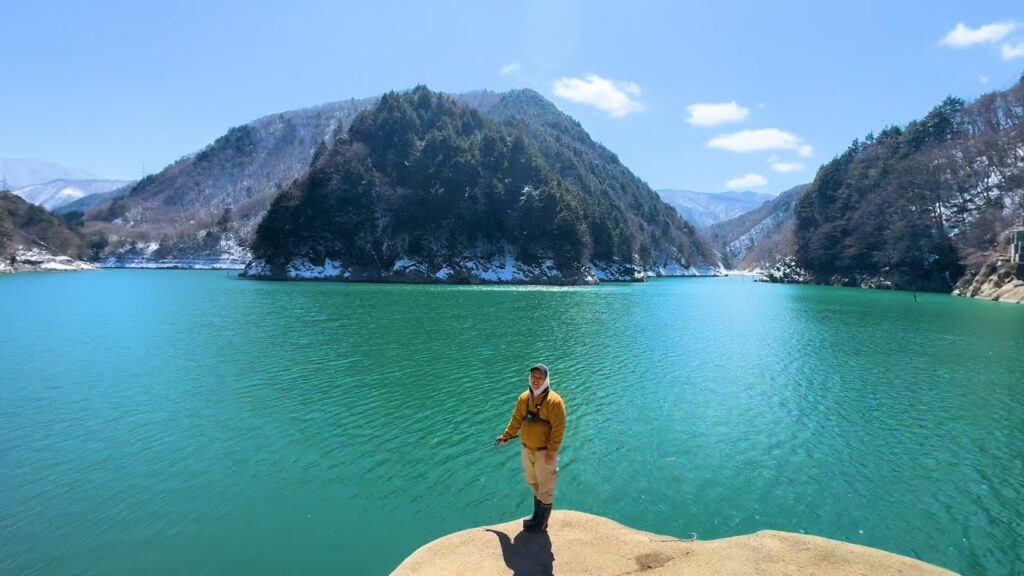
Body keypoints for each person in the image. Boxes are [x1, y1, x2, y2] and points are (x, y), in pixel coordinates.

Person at [495, 363, 566, 533]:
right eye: (534, 376)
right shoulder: (524, 398)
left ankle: (541, 524)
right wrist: (506, 436)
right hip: (527, 449)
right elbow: (516, 419)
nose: (536, 380)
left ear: (546, 379)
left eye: (540, 377)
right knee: (533, 484)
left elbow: (558, 429)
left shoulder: (554, 401)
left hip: (544, 452)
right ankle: (536, 517)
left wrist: (552, 451)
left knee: (546, 489)